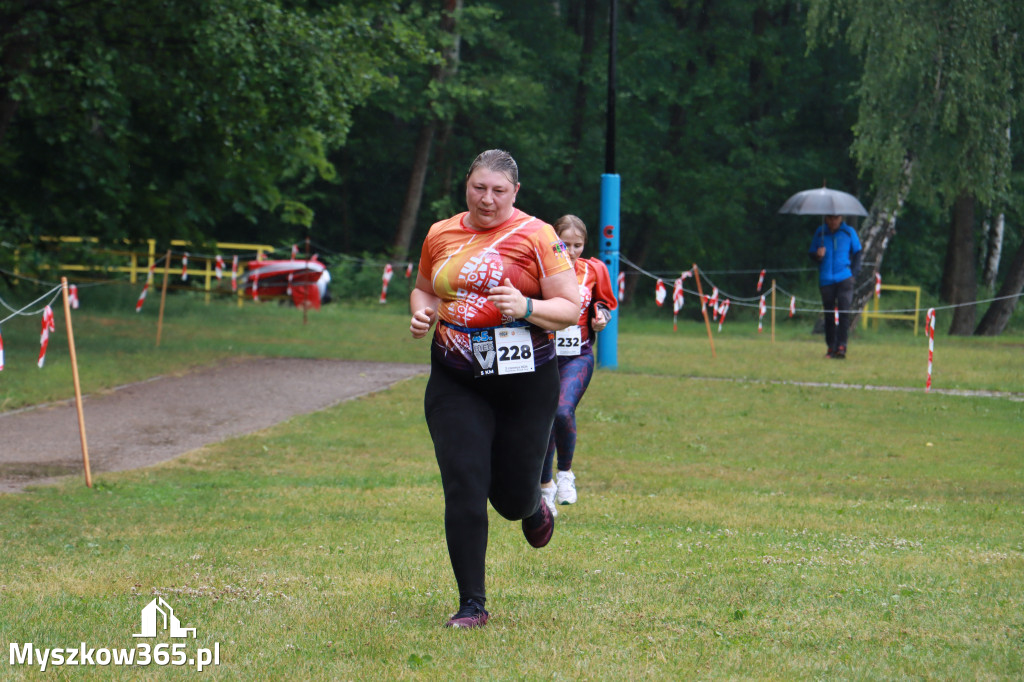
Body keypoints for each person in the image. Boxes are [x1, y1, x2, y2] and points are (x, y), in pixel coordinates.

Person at [409, 149, 580, 629]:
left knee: (508, 498)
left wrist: (526, 305)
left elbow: (570, 307)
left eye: (498, 191)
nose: (487, 199)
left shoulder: (539, 236)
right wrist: (421, 310)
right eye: (479, 188)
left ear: (515, 193)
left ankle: (532, 506)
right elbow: (424, 286)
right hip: (455, 377)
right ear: (467, 185)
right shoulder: (441, 232)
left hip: (524, 383)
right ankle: (472, 605)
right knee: (463, 482)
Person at [539, 215, 617, 516]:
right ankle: (545, 488)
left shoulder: (594, 270)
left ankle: (566, 474)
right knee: (543, 421)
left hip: (577, 355)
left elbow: (603, 303)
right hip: (543, 356)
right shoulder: (540, 268)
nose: (571, 251)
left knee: (561, 410)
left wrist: (600, 317)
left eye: (577, 245)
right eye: (564, 244)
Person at [808, 214, 862, 359]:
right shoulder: (820, 232)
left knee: (844, 311)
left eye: (836, 218)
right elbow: (812, 253)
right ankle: (831, 346)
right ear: (826, 218)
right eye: (830, 218)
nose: (833, 221)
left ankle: (842, 346)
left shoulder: (848, 232)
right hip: (826, 279)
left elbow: (857, 253)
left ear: (841, 218)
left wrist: (853, 276)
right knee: (829, 314)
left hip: (844, 277)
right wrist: (818, 255)